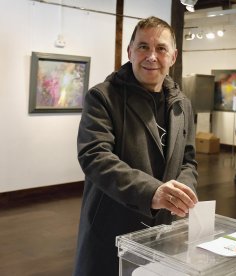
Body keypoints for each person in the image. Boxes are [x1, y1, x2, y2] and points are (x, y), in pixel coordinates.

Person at [73, 16, 198, 276]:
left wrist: (183, 192)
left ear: (173, 57)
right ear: (130, 52)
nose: (151, 56)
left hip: (165, 231)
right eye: (143, 46)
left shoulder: (181, 104)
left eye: (161, 48)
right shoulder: (102, 97)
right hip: (111, 228)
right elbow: (95, 156)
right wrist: (152, 192)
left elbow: (188, 159)